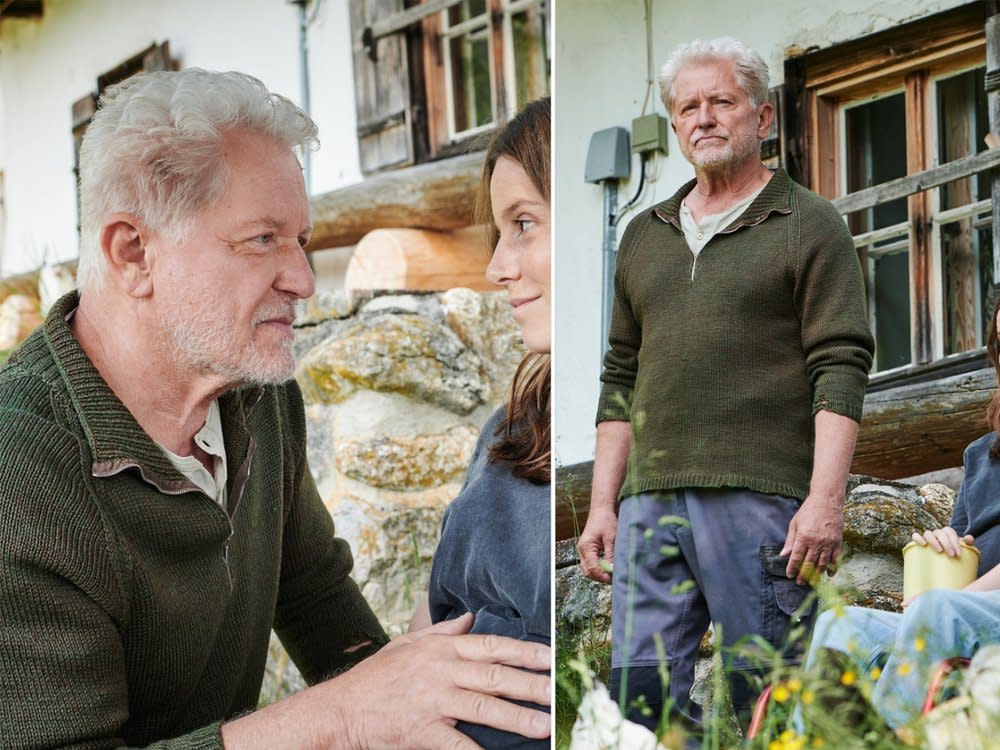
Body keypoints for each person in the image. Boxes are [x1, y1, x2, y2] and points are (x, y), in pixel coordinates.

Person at [0, 68, 551, 750]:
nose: (302, 281)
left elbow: (317, 600)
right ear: (133, 252)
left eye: (302, 240)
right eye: (263, 239)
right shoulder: (19, 474)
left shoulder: (256, 397)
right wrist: (347, 715)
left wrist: (423, 697)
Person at [575, 37, 874, 730]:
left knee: (763, 708)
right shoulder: (643, 236)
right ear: (676, 126)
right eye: (688, 107)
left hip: (760, 503)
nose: (703, 118)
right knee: (635, 715)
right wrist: (601, 506)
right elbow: (620, 375)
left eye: (721, 102)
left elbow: (841, 363)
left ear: (763, 119)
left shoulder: (809, 223)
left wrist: (825, 502)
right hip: (648, 508)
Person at [409, 97, 552, 749]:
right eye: (499, 232)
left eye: (524, 223)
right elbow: (430, 624)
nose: (498, 266)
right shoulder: (512, 428)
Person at [803, 298, 1000, 731]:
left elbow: (954, 603)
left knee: (939, 612)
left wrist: (951, 599)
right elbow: (962, 559)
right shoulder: (981, 455)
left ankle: (890, 738)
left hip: (971, 609)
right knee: (843, 624)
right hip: (970, 610)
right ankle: (814, 742)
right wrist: (943, 552)